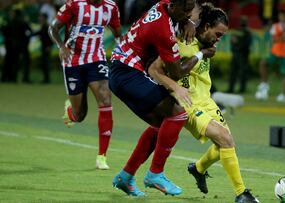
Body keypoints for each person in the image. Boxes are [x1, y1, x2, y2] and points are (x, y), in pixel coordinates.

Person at [148, 4, 259, 202]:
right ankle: (242, 194)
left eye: (222, 36)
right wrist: (173, 88)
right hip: (187, 104)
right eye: (217, 34)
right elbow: (155, 70)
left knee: (225, 144)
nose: (218, 39)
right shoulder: (182, 40)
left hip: (207, 101)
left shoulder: (206, 44)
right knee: (225, 140)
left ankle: (198, 169)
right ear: (206, 26)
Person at [110, 0, 206, 196]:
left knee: (162, 125)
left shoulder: (162, 5)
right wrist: (201, 54)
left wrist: (187, 22)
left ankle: (125, 176)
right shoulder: (163, 31)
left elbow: (176, 17)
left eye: (190, 9)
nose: (188, 13)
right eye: (185, 9)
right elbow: (177, 72)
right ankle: (155, 174)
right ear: (173, 4)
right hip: (127, 73)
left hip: (122, 70)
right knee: (178, 114)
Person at [48, 0, 122, 169]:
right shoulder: (74, 4)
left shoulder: (110, 7)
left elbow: (118, 33)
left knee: (105, 99)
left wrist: (121, 50)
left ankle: (101, 157)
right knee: (80, 115)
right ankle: (71, 112)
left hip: (97, 59)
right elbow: (52, 28)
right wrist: (61, 46)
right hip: (72, 61)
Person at [255, 10, 285, 102]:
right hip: (275, 52)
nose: (282, 18)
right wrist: (282, 37)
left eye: (283, 16)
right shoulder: (275, 26)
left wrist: (279, 37)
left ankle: (284, 94)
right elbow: (274, 39)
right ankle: (264, 84)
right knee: (263, 63)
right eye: (280, 16)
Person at [227, 16, 252, 94]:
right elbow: (233, 41)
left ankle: (240, 89)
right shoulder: (245, 32)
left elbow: (245, 43)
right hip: (239, 54)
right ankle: (232, 88)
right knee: (234, 72)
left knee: (240, 72)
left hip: (242, 55)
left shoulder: (244, 32)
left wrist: (236, 46)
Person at [33, 13, 53, 84]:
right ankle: (45, 79)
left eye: (41, 17)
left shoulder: (47, 27)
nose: (39, 19)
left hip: (47, 47)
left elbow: (51, 37)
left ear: (44, 18)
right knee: (44, 64)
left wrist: (50, 46)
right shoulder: (43, 26)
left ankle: (47, 79)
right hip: (43, 47)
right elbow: (39, 33)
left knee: (46, 64)